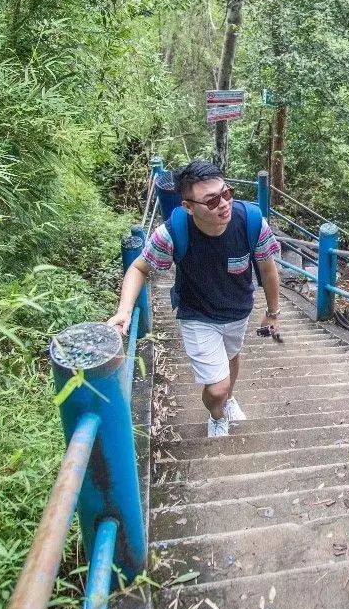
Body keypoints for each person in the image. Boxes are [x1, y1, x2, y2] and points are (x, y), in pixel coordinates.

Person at [109, 159, 282, 437]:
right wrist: (125, 311)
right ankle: (217, 412)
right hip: (196, 313)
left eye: (226, 193)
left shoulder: (251, 222)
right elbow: (140, 267)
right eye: (211, 201)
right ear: (188, 207)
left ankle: (227, 400)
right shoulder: (172, 232)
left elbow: (267, 268)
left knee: (230, 357)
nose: (224, 204)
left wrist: (272, 312)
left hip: (238, 308)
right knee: (217, 387)